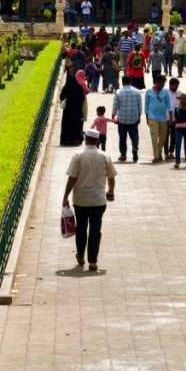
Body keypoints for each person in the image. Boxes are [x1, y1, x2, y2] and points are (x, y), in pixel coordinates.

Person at [62, 128, 116, 271]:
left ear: (86, 140)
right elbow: (111, 177)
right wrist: (110, 191)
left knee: (81, 229)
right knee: (95, 230)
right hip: (98, 200)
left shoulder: (78, 156)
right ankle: (93, 261)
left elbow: (72, 178)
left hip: (81, 199)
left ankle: (80, 256)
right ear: (98, 141)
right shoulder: (105, 156)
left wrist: (65, 196)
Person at [111, 75, 142, 162]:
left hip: (122, 119)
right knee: (134, 135)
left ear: (122, 82)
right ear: (131, 82)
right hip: (133, 118)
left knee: (122, 137)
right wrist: (139, 116)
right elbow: (140, 105)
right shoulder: (137, 92)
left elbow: (115, 105)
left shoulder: (118, 92)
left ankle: (123, 154)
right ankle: (135, 147)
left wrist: (113, 115)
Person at [144, 74, 173, 162]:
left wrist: (171, 117)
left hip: (163, 117)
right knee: (154, 136)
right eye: (161, 83)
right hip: (152, 117)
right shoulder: (149, 92)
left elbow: (169, 105)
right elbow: (146, 106)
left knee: (163, 137)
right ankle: (156, 156)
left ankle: (159, 151)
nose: (163, 85)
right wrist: (147, 118)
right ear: (157, 82)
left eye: (164, 84)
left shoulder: (165, 92)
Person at [59, 69, 86, 146]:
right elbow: (82, 98)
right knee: (76, 124)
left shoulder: (66, 87)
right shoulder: (78, 87)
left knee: (66, 124)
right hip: (77, 110)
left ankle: (65, 140)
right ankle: (76, 140)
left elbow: (61, 97)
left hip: (67, 110)